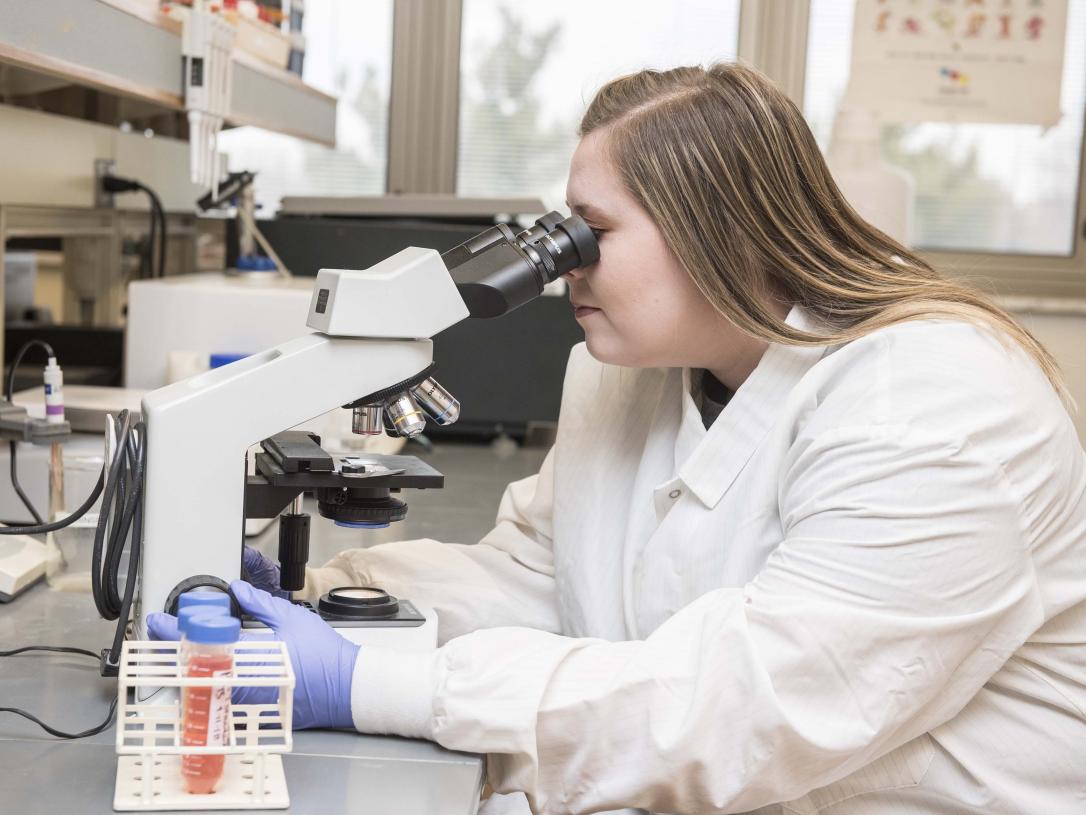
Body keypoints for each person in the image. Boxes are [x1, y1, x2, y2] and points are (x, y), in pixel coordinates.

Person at [150, 63, 1086, 814]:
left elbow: (744, 710)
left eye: (591, 235)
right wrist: (335, 602)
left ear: (726, 232)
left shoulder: (934, 406)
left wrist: (367, 686)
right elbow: (541, 578)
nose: (565, 271)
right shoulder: (621, 372)